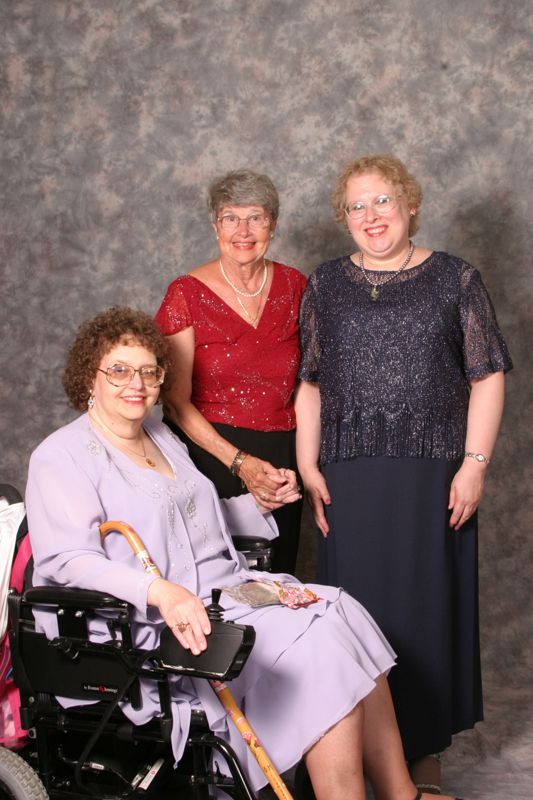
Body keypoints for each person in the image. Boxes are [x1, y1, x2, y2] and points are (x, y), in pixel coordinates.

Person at [25, 307, 462, 800]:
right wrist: (159, 592)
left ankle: (398, 792)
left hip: (223, 591)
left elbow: (193, 522)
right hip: (154, 623)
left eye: (150, 371)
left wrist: (259, 502)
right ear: (90, 376)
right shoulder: (61, 457)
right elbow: (65, 560)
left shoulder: (162, 437)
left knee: (341, 610)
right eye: (120, 370)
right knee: (320, 648)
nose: (138, 384)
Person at [295, 153, 512, 795]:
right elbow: (309, 382)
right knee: (357, 616)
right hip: (350, 475)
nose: (371, 216)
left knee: (423, 610)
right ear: (344, 219)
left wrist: (474, 466)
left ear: (410, 204)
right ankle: (352, 759)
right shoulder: (324, 284)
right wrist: (307, 464)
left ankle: (421, 758)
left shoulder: (455, 279)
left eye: (383, 201)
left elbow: (488, 375)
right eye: (357, 206)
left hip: (433, 473)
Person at [155, 170, 306, 574]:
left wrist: (304, 467)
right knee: (216, 588)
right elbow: (173, 401)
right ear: (214, 225)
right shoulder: (184, 294)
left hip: (282, 463)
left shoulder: (297, 288)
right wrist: (240, 463)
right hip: (208, 457)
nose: (243, 230)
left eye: (255, 217)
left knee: (278, 586)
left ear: (273, 224)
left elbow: (312, 385)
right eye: (230, 217)